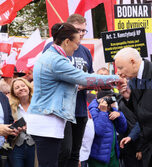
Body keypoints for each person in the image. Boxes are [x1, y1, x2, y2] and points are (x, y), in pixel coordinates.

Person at [25, 23, 119, 167]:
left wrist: (87, 84)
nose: (77, 48)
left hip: (48, 120)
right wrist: (116, 78)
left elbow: (72, 84)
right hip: (47, 121)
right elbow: (84, 78)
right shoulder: (56, 60)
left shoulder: (51, 56)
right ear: (67, 41)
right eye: (76, 43)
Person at [43, 14, 94, 167]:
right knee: (63, 150)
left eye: (84, 30)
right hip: (60, 109)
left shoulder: (85, 51)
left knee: (74, 153)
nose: (82, 34)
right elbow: (47, 74)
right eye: (78, 30)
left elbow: (90, 76)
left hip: (79, 109)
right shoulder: (53, 48)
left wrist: (87, 83)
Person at [88, 90, 127, 167]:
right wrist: (103, 112)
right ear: (100, 99)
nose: (111, 100)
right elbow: (98, 131)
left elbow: (122, 129)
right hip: (98, 157)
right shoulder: (93, 110)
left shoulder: (112, 109)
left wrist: (120, 115)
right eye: (108, 98)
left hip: (113, 155)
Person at [8, 78, 35, 167]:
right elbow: (8, 127)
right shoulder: (11, 107)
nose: (21, 88)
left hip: (34, 146)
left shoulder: (37, 105)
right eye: (17, 87)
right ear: (14, 92)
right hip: (16, 147)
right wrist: (14, 128)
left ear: (28, 87)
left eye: (23, 86)